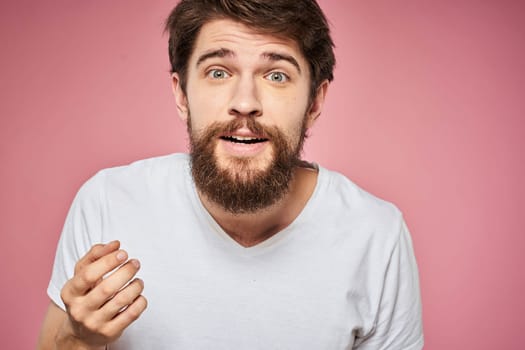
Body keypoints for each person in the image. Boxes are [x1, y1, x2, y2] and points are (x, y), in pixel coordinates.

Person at [37, 0, 424, 349]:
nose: (244, 103)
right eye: (218, 72)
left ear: (315, 102)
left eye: (276, 75)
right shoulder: (107, 202)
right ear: (182, 95)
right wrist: (78, 337)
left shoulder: (377, 234)